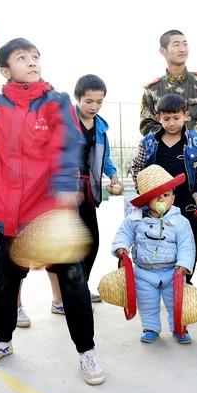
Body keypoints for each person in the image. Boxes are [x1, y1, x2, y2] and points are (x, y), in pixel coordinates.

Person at [0, 37, 104, 385]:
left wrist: (64, 186)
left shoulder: (56, 101)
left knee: (73, 282)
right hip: (10, 215)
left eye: (35, 56)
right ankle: (3, 341)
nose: (32, 62)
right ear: (5, 69)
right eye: (21, 58)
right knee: (4, 282)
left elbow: (70, 140)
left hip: (50, 212)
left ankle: (86, 351)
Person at [131, 94, 197, 286]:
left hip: (186, 200)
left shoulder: (196, 140)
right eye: (166, 119)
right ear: (158, 118)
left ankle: (185, 281)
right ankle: (163, 280)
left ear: (186, 116)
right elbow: (137, 167)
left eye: (176, 118)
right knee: (160, 239)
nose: (172, 123)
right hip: (156, 203)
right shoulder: (149, 142)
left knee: (187, 240)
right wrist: (144, 191)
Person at [113, 165, 196, 344]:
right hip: (143, 272)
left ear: (173, 198)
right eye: (155, 196)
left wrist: (184, 265)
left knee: (176, 303)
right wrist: (121, 247)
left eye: (166, 195)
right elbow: (124, 233)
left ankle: (179, 328)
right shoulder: (136, 219)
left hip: (172, 272)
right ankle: (150, 327)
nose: (162, 200)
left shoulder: (180, 222)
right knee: (147, 303)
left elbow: (186, 245)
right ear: (146, 200)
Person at [73, 74, 121, 301]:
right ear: (77, 98)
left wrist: (114, 176)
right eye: (89, 101)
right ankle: (72, 295)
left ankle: (81, 287)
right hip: (64, 190)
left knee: (91, 243)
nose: (94, 107)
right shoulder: (66, 122)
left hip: (88, 190)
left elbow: (106, 159)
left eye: (99, 102)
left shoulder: (100, 128)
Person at [139, 30, 197, 139]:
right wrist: (172, 139)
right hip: (166, 151)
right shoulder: (152, 90)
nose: (182, 49)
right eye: (176, 45)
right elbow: (146, 124)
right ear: (163, 51)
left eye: (185, 44)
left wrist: (192, 137)